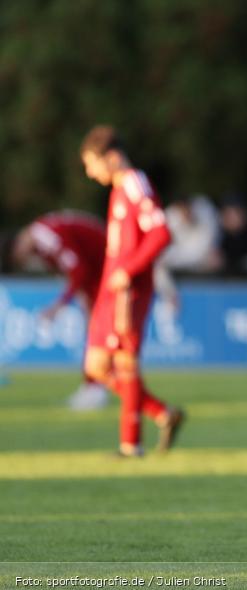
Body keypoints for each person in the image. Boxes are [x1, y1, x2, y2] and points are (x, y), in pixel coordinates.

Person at [79, 125, 184, 457]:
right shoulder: (120, 189)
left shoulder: (136, 183)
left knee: (125, 363)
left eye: (91, 163)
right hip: (112, 289)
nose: (89, 172)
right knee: (97, 366)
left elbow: (161, 233)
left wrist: (128, 269)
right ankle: (161, 413)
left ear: (111, 157)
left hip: (129, 291)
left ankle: (130, 445)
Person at [9, 211, 109, 410]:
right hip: (99, 273)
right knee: (96, 333)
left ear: (19, 242)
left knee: (100, 334)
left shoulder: (44, 236)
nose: (24, 259)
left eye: (19, 255)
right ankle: (93, 386)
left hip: (107, 270)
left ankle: (97, 388)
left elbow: (79, 270)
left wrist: (58, 306)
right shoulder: (41, 241)